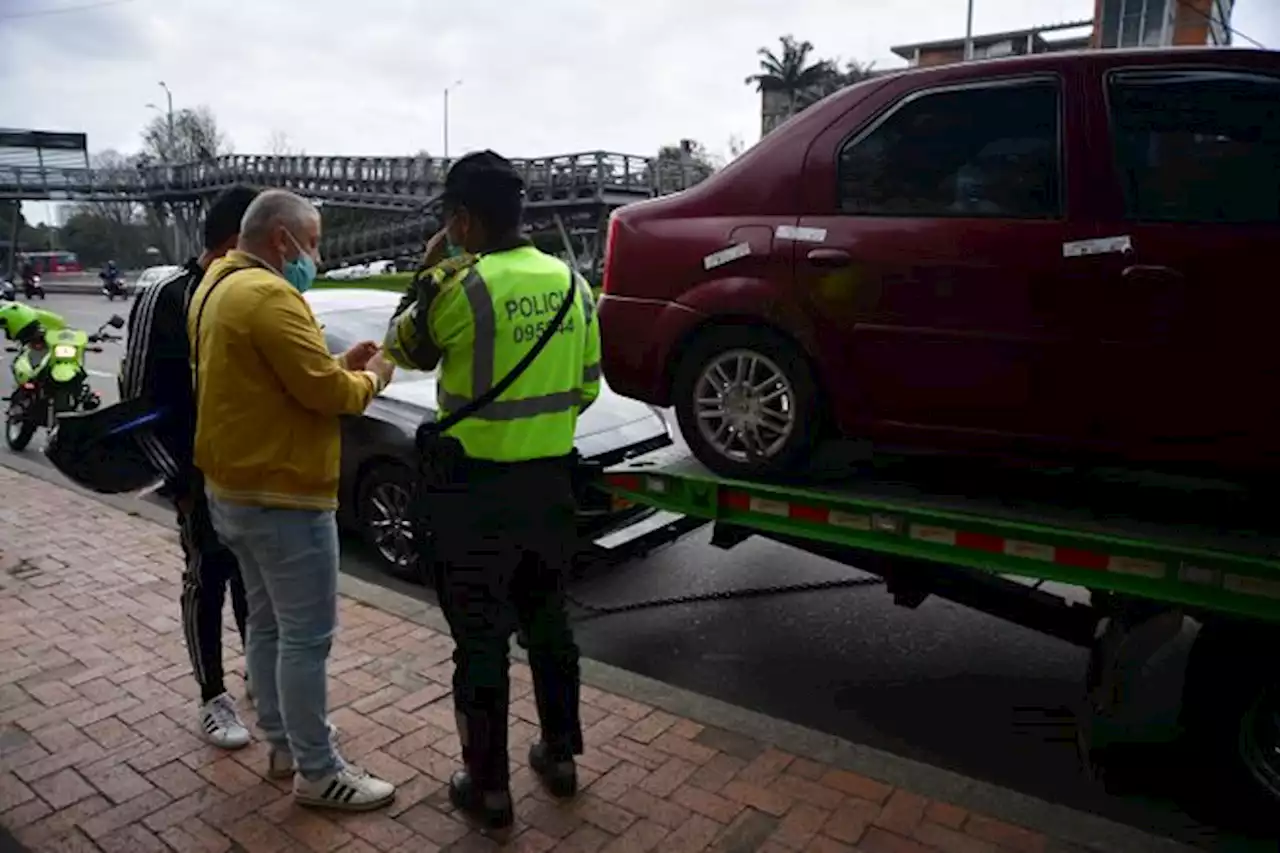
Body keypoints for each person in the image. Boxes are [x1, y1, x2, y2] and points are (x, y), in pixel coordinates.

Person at [383, 150, 600, 831]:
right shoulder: (573, 284)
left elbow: (403, 347)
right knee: (550, 627)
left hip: (474, 498)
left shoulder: (460, 287)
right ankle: (560, 756)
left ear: (463, 219)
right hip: (550, 488)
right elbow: (587, 386)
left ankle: (489, 788)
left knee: (480, 644)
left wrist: (427, 267)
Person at [190, 188, 398, 811]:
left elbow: (279, 375)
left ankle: (284, 742)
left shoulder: (218, 285)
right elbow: (331, 395)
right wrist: (374, 372)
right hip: (285, 494)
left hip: (235, 489)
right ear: (282, 240)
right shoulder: (270, 294)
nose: (316, 253)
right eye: (311, 242)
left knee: (269, 625)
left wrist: (336, 362)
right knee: (307, 638)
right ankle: (318, 769)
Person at [118, 185, 259, 751]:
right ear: (234, 241)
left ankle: (260, 669)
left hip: (255, 469)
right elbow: (138, 393)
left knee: (255, 578)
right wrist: (174, 482)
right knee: (208, 577)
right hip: (198, 472)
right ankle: (212, 695)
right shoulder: (170, 294)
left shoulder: (251, 293)